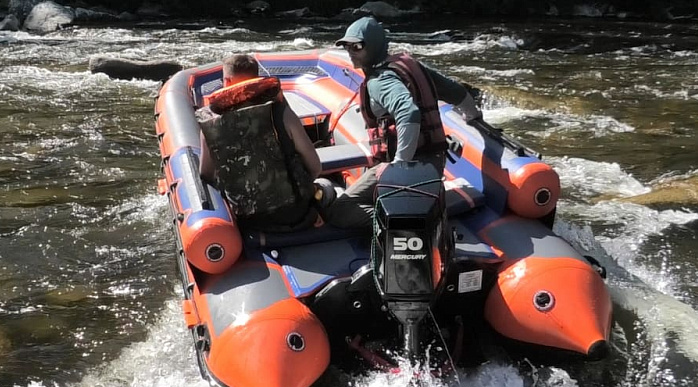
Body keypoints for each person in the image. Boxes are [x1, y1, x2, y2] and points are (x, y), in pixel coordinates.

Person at [322, 17, 484, 228]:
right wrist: (473, 117)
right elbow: (455, 92)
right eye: (347, 46)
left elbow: (408, 113)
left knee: (340, 210)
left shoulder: (380, 81)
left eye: (357, 46)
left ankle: (398, 225)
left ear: (374, 47)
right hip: (434, 164)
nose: (351, 51)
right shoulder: (409, 65)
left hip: (408, 169)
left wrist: (398, 165)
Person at [196, 53, 326, 231]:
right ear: (257, 79)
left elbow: (206, 174)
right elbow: (315, 167)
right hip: (296, 213)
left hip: (247, 221)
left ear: (226, 81)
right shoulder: (281, 112)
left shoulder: (209, 121)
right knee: (327, 187)